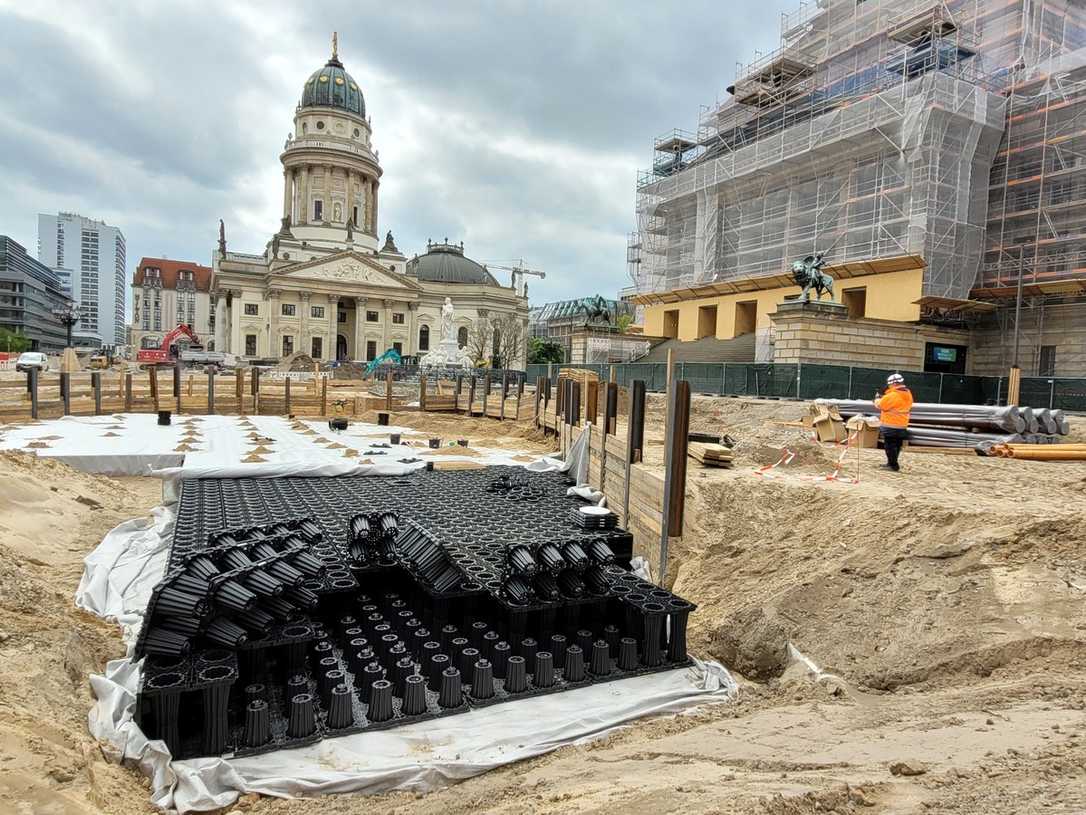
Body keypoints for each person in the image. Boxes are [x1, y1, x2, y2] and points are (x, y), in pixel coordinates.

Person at [875, 373, 913, 472]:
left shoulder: (893, 395)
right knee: (897, 446)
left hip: (890, 425)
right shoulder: (908, 393)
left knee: (889, 446)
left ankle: (893, 465)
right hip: (902, 425)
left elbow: (881, 405)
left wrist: (877, 399)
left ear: (893, 384)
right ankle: (891, 463)